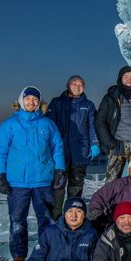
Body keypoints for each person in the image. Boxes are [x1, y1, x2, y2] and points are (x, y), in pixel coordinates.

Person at [0, 86, 66, 261]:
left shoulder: (47, 124)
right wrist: (0, 175)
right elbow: (0, 152)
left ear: (39, 103)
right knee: (17, 220)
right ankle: (19, 254)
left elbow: (57, 148)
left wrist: (59, 171)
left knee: (47, 220)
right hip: (18, 182)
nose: (31, 102)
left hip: (43, 180)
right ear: (21, 101)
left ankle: (46, 253)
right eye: (28, 99)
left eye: (35, 99)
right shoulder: (9, 125)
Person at [45, 75, 100, 218]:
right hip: (59, 153)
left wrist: (94, 144)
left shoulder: (88, 105)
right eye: (74, 84)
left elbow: (93, 127)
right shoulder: (57, 103)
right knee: (58, 186)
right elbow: (49, 126)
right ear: (68, 86)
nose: (78, 86)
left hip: (80, 152)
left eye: (81, 84)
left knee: (76, 187)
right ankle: (56, 217)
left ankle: (73, 217)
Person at [95, 66, 131, 182]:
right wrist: (110, 143)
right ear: (120, 79)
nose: (129, 79)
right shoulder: (111, 98)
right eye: (126, 77)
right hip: (117, 143)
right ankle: (111, 200)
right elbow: (100, 120)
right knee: (112, 180)